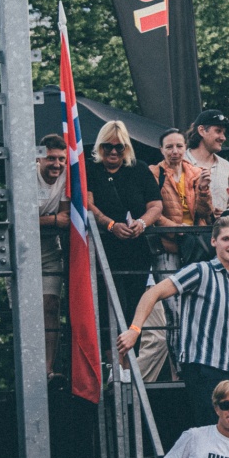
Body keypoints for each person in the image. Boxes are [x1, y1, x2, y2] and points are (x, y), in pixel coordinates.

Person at [118, 215, 229, 426]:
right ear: (214, 241)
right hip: (202, 366)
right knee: (211, 430)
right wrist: (135, 329)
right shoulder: (200, 271)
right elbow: (153, 293)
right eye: (226, 238)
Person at [140, 127, 214, 383]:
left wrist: (203, 189)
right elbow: (151, 210)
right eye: (169, 147)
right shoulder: (154, 173)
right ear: (161, 150)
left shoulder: (195, 172)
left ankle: (191, 363)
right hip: (167, 244)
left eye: (179, 146)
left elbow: (205, 213)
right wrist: (174, 228)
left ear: (185, 148)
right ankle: (178, 369)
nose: (174, 151)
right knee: (173, 309)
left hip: (193, 246)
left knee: (194, 307)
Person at [87, 119, 163, 320]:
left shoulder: (140, 169)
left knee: (134, 304)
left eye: (119, 147)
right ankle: (111, 342)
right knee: (107, 304)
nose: (113, 152)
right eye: (108, 146)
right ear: (100, 147)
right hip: (103, 248)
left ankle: (132, 340)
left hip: (136, 248)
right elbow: (87, 204)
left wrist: (142, 223)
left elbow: (156, 205)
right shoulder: (90, 168)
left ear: (126, 148)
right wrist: (110, 224)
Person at [33, 135, 69, 380]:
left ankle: (47, 368)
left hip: (49, 248)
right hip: (22, 251)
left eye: (61, 159)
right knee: (26, 311)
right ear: (39, 158)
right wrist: (54, 219)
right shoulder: (26, 176)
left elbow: (66, 217)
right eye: (51, 158)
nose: (57, 164)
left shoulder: (66, 176)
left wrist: (43, 220)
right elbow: (21, 219)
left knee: (51, 306)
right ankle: (28, 368)